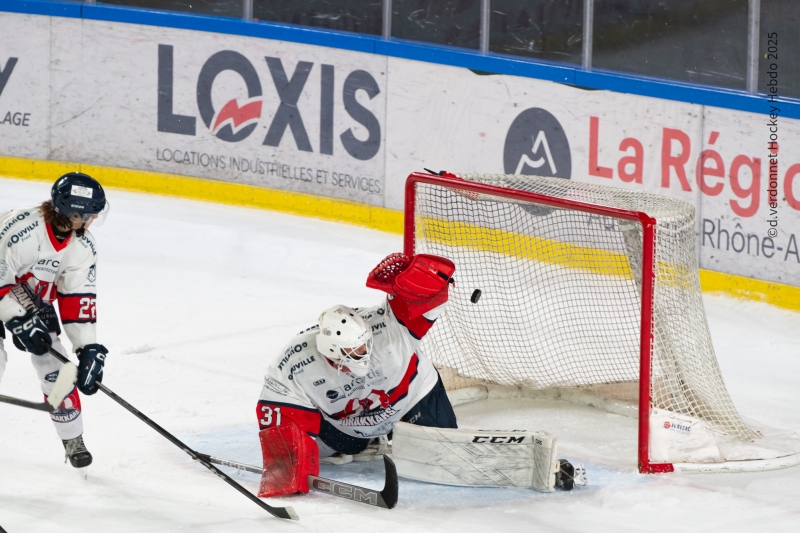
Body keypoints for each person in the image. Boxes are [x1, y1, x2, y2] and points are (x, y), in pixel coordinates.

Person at [256, 253, 458, 461]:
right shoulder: (296, 362)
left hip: (413, 396)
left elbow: (432, 300)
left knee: (442, 453)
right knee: (326, 451)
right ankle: (368, 440)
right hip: (351, 426)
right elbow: (279, 410)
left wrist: (425, 280)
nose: (364, 352)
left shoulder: (389, 326)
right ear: (333, 351)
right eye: (355, 350)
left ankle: (400, 430)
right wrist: (287, 461)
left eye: (365, 344)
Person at [0, 172, 110, 469]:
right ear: (74, 214)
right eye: (88, 215)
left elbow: (78, 296)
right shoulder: (22, 229)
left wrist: (87, 347)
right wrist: (15, 318)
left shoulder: (83, 246)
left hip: (31, 296)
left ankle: (72, 439)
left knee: (57, 367)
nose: (91, 221)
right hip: (4, 291)